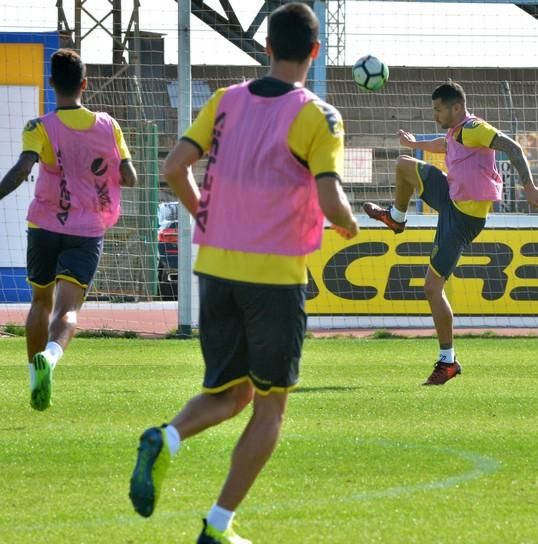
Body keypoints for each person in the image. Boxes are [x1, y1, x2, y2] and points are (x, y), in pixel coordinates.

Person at [128, 3, 358, 543]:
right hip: (274, 275)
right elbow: (329, 194)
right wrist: (347, 223)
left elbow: (171, 169)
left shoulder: (225, 100)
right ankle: (218, 526)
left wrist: (202, 213)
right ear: (315, 52)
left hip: (215, 268)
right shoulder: (319, 116)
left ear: (268, 47)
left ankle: (167, 437)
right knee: (272, 406)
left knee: (230, 394)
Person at [363, 81, 538, 386]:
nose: (435, 114)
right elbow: (445, 144)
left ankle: (448, 361)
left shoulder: (475, 127)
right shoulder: (457, 131)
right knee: (404, 164)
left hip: (462, 220)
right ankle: (396, 218)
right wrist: (415, 145)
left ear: (456, 108)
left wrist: (527, 185)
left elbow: (512, 147)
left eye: (438, 109)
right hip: (450, 197)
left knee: (431, 288)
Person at [0, 48, 137, 411]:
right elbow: (130, 176)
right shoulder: (109, 125)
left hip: (43, 226)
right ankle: (52, 356)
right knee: (68, 310)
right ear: (84, 83)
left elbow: (21, 169)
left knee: (40, 302)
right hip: (87, 229)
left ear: (51, 84)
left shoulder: (39, 126)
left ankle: (35, 377)